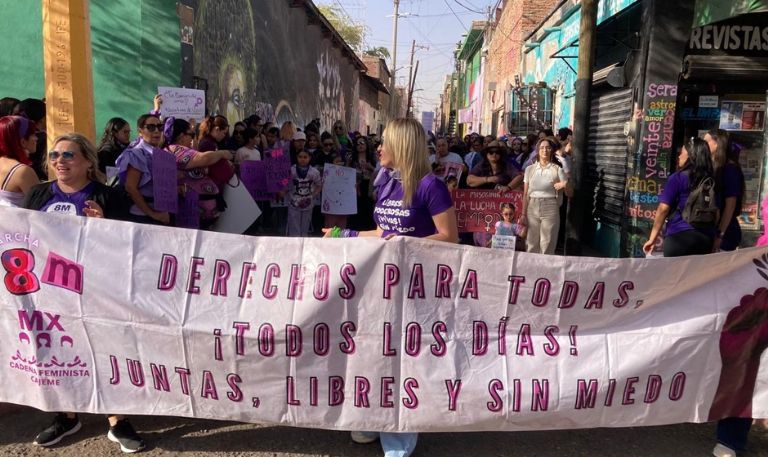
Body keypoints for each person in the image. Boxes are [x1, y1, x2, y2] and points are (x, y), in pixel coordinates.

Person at [327, 118, 458, 457]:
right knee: (372, 353)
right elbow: (381, 232)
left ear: (403, 146)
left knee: (405, 361)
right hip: (379, 288)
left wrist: (405, 244)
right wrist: (345, 234)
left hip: (416, 290)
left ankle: (399, 438)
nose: (379, 148)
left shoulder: (431, 186)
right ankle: (372, 418)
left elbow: (450, 238)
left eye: (385, 142)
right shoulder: (385, 181)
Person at [24, 133, 144, 453]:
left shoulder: (109, 197)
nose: (59, 161)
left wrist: (103, 226)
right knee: (59, 353)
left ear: (88, 162)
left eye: (68, 155)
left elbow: (128, 245)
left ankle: (118, 421)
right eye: (54, 155)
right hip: (49, 293)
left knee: (105, 352)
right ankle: (67, 415)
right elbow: (24, 239)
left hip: (97, 290)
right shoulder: (36, 194)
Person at [642, 137, 716, 257]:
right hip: (705, 239)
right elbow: (716, 211)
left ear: (690, 156)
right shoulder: (711, 180)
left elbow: (663, 209)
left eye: (682, 153)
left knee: (673, 275)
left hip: (679, 237)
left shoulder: (677, 178)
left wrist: (652, 238)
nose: (679, 156)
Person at [164, 117, 234, 228]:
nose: (193, 139)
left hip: (195, 211)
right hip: (188, 212)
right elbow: (202, 158)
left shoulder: (179, 149)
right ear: (181, 136)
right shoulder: (176, 150)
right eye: (191, 135)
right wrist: (222, 153)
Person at [115, 114, 172, 225]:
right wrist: (153, 214)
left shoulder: (160, 154)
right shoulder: (137, 154)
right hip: (143, 217)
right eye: (151, 127)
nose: (156, 131)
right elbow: (131, 188)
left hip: (161, 212)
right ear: (140, 131)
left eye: (160, 127)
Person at [467, 141, 522, 246]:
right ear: (486, 154)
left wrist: (508, 187)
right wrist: (488, 179)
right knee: (482, 240)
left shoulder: (507, 166)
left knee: (501, 241)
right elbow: (469, 180)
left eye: (497, 152)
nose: (494, 154)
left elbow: (519, 177)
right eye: (490, 152)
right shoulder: (481, 166)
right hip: (483, 211)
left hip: (501, 211)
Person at [521, 137, 567, 254]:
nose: (545, 150)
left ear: (552, 150)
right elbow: (525, 193)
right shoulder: (529, 169)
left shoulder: (557, 169)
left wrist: (564, 184)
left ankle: (545, 271)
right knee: (531, 243)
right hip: (532, 206)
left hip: (550, 206)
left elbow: (570, 192)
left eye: (548, 148)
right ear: (538, 150)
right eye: (542, 148)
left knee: (547, 244)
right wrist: (523, 214)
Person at [705, 129, 744, 252]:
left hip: (725, 232)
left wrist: (720, 234)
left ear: (717, 143)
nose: (703, 145)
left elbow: (730, 205)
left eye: (706, 141)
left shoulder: (729, 169)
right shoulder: (712, 168)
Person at [0, 116, 40, 207]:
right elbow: (41, 206)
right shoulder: (23, 171)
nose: (36, 138)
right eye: (33, 134)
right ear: (23, 142)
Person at [283, 149, 321, 236]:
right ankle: (294, 246)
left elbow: (319, 185)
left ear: (309, 158)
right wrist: (282, 190)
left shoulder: (314, 172)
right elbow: (284, 183)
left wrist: (312, 196)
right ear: (296, 157)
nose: (302, 159)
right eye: (300, 157)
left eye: (305, 157)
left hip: (308, 204)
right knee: (294, 227)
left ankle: (304, 244)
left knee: (305, 227)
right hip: (293, 203)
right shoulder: (290, 171)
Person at [347, 136, 377, 231]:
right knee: (356, 207)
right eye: (357, 143)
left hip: (368, 184)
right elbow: (347, 171)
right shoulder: (351, 158)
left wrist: (370, 167)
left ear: (367, 145)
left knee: (367, 207)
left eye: (362, 143)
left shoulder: (372, 157)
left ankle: (368, 229)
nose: (360, 145)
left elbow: (378, 171)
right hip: (355, 185)